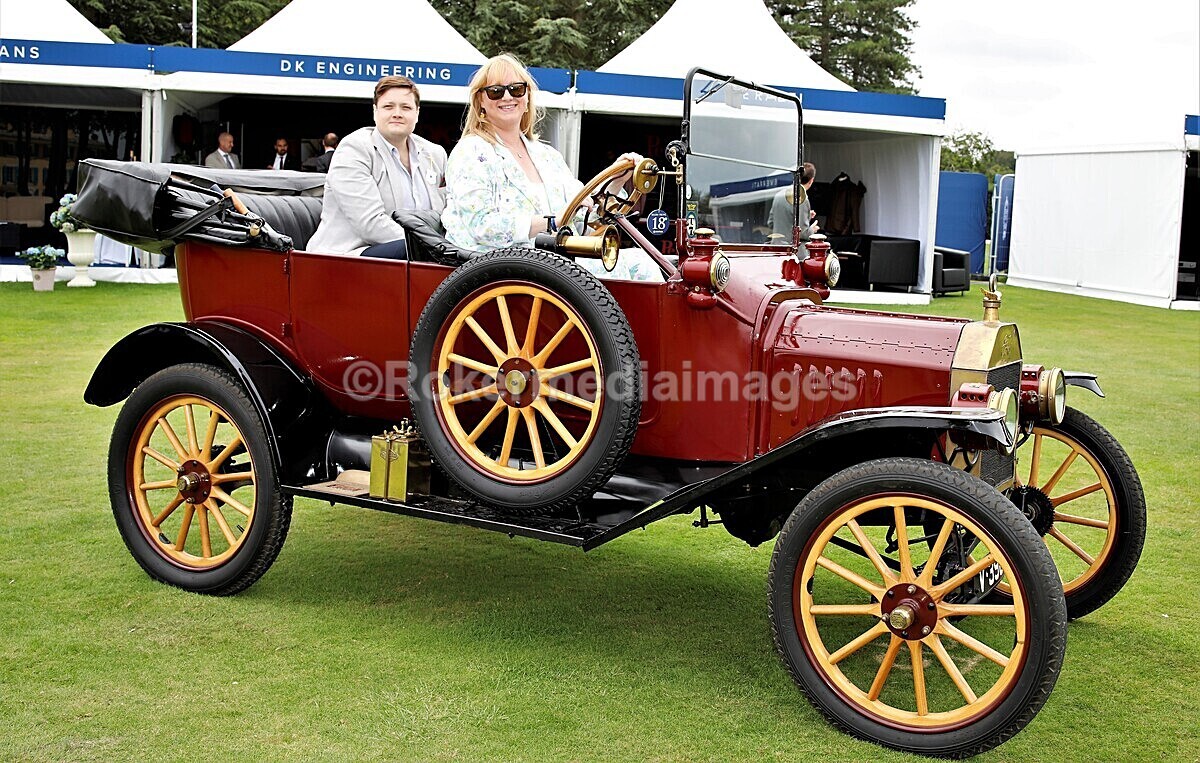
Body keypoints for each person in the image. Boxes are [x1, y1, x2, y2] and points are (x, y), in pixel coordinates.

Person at [443, 54, 631, 251]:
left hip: (555, 265)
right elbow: (482, 226)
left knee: (643, 263)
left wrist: (616, 181)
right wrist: (551, 222)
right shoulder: (471, 151)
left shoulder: (548, 156)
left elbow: (583, 223)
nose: (507, 97)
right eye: (495, 91)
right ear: (480, 101)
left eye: (516, 89)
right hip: (503, 269)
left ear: (527, 97)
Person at [306, 76, 446, 258]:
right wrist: (430, 246)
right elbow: (370, 224)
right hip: (350, 255)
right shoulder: (354, 149)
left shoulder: (435, 153)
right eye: (388, 106)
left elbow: (447, 213)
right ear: (375, 111)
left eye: (406, 107)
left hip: (423, 254)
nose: (397, 113)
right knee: (413, 252)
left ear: (417, 113)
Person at [769, 161, 818, 244]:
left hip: (776, 247)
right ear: (811, 180)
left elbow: (771, 223)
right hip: (793, 251)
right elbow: (802, 233)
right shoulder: (802, 199)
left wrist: (807, 215)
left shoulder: (779, 194)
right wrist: (812, 230)